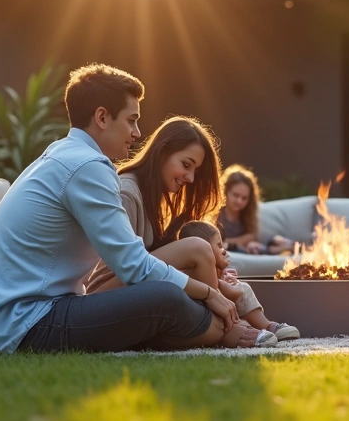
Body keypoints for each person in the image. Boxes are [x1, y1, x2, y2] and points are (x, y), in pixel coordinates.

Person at [0, 63, 237, 354]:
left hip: (11, 319)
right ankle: (218, 329)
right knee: (165, 297)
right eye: (131, 120)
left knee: (165, 297)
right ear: (102, 117)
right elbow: (133, 266)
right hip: (26, 322)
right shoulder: (88, 166)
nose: (137, 132)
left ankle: (208, 328)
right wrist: (208, 293)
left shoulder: (62, 154)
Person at [93, 116, 278, 347]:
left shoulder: (156, 197)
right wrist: (209, 292)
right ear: (162, 153)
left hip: (135, 289)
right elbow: (129, 267)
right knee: (197, 247)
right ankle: (231, 326)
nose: (190, 178)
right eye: (186, 165)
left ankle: (223, 325)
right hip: (103, 295)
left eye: (195, 170)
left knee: (206, 318)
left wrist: (214, 275)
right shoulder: (128, 193)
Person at [178, 220, 301, 341]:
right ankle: (266, 326)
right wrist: (231, 285)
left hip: (210, 312)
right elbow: (231, 293)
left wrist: (223, 277)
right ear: (205, 249)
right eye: (219, 245)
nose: (224, 251)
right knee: (243, 288)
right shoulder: (194, 273)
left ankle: (257, 328)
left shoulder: (193, 269)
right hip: (204, 314)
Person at [216, 164, 295, 255]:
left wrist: (247, 240)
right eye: (236, 195)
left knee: (272, 241)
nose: (239, 201)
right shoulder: (216, 214)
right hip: (233, 250)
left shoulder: (248, 214)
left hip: (252, 248)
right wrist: (245, 239)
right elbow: (219, 242)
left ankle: (292, 246)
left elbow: (252, 235)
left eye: (244, 198)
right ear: (225, 192)